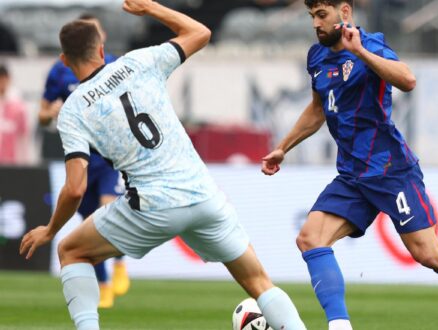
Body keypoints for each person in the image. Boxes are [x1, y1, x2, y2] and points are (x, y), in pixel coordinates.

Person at [20, 1, 306, 329]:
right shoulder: (140, 61)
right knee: (259, 282)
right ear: (102, 49)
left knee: (71, 250)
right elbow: (201, 32)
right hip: (203, 195)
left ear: (64, 60)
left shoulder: (72, 111)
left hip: (152, 205)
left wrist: (51, 229)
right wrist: (152, 8)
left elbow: (75, 188)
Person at [261, 1, 438, 330]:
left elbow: (407, 79)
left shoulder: (370, 43)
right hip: (352, 176)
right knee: (310, 238)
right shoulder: (316, 58)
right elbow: (318, 110)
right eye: (312, 17)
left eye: (322, 15)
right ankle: (339, 325)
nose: (316, 24)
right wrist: (282, 148)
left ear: (344, 13)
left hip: (389, 168)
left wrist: (360, 52)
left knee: (428, 253)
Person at [38, 13, 129, 309]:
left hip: (109, 156)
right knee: (92, 224)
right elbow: (41, 114)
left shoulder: (115, 66)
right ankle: (103, 283)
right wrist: (49, 113)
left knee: (107, 210)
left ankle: (119, 263)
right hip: (79, 157)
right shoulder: (58, 72)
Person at [0, 64, 29, 165]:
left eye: (3, 79)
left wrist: (24, 161)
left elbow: (24, 135)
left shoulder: (17, 105)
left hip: (12, 162)